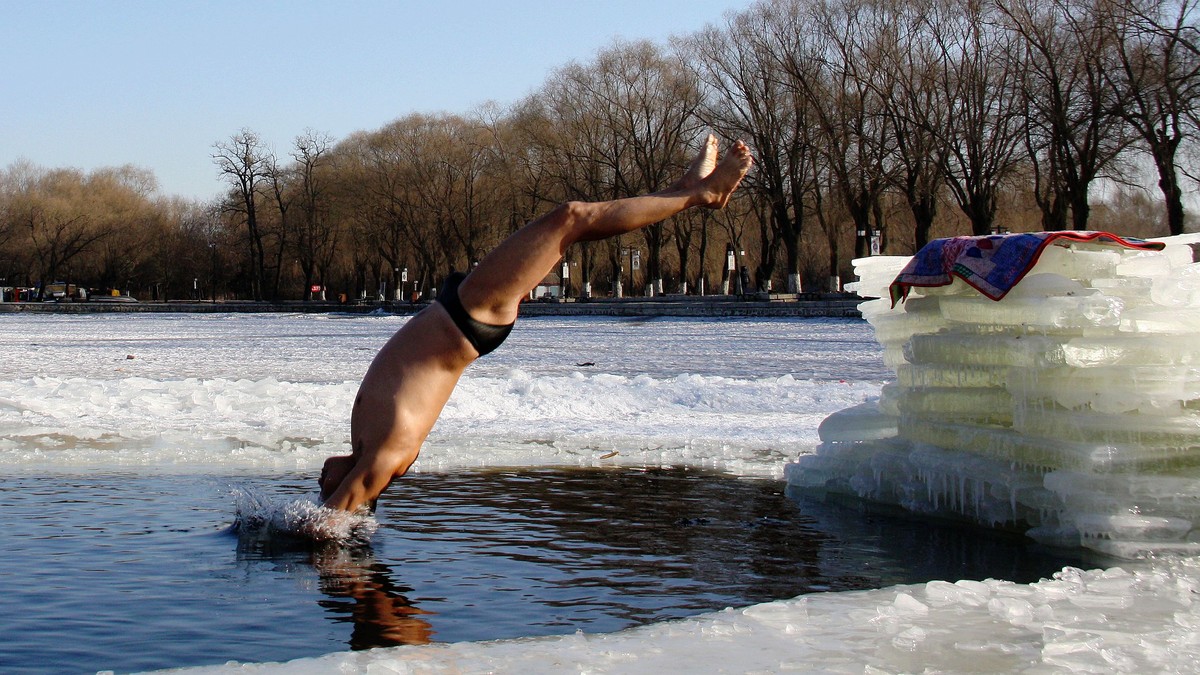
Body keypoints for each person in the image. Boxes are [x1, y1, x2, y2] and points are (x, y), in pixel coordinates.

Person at [318, 135, 754, 513]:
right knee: (572, 219)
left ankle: (685, 189)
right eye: (327, 492)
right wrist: (327, 516)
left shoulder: (365, 447)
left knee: (572, 221)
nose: (319, 485)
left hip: (461, 311)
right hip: (469, 317)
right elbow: (332, 518)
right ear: (358, 496)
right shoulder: (384, 457)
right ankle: (703, 194)